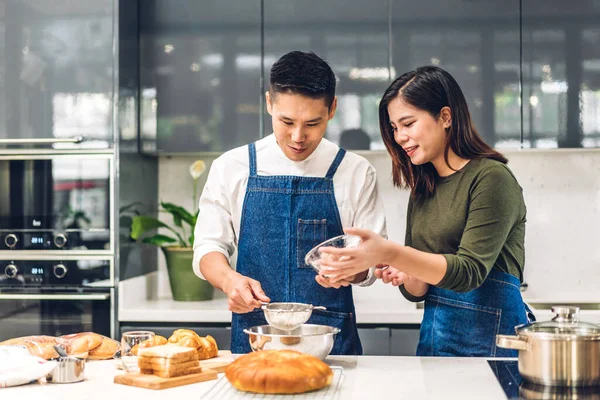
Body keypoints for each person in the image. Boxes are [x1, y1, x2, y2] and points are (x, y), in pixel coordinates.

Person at [319, 66, 532, 357]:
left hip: (494, 349)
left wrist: (391, 253)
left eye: (408, 123)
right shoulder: (424, 188)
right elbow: (416, 292)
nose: (399, 137)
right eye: (394, 128)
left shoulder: (491, 178)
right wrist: (405, 272)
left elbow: (469, 272)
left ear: (445, 117)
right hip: (435, 345)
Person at [192, 51, 386, 355]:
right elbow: (208, 248)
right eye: (286, 121)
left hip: (331, 343)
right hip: (256, 339)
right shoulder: (232, 166)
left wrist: (354, 270)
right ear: (269, 102)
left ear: (332, 108)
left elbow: (372, 262)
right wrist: (230, 281)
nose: (298, 136)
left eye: (312, 123)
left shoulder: (356, 171)